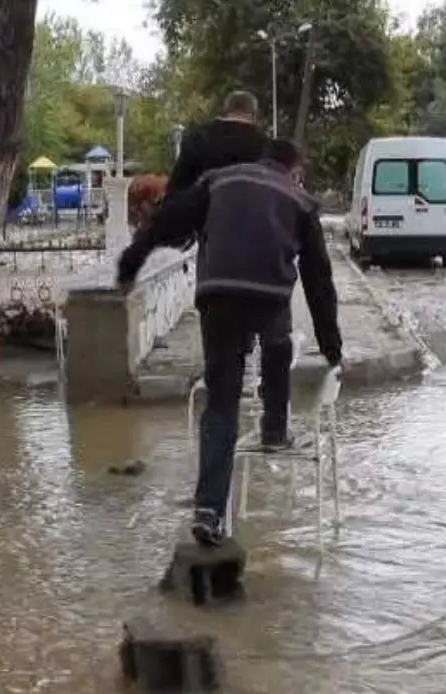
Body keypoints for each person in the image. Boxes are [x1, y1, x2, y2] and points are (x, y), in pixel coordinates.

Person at [116, 138, 343, 547]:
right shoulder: (300, 201)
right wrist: (332, 348)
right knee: (279, 345)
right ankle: (274, 429)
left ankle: (208, 513)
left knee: (221, 405)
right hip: (270, 297)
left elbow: (167, 220)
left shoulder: (217, 182)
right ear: (294, 171)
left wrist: (132, 260)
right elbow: (318, 281)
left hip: (217, 295)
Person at [167, 90, 297, 449]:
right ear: (253, 116)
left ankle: (212, 493)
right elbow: (288, 200)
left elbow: (176, 201)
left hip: (219, 268)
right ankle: (274, 430)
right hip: (267, 267)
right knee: (276, 342)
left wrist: (187, 236)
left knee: (223, 377)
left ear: (225, 111)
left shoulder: (196, 143)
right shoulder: (267, 149)